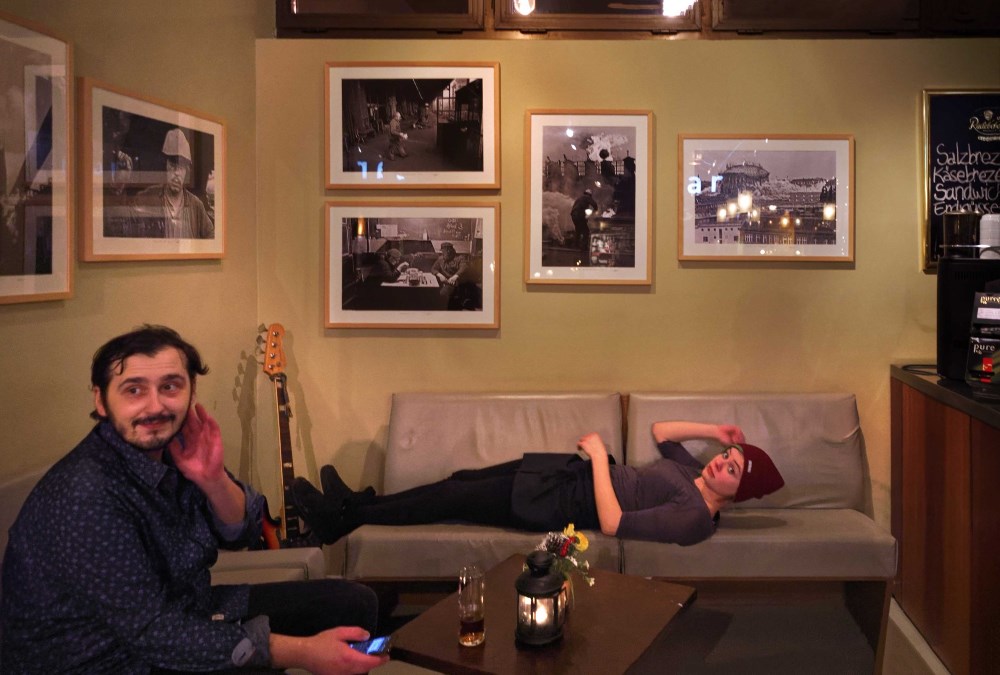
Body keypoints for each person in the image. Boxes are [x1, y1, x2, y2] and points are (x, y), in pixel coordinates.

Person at [0, 325, 389, 674]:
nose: (155, 406)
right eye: (134, 390)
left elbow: (245, 533)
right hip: (106, 657)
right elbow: (155, 633)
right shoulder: (86, 495)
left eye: (170, 386)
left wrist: (213, 479)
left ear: (191, 391)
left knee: (352, 603)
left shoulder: (177, 445)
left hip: (188, 607)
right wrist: (302, 652)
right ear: (101, 401)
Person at [291, 421, 785, 548]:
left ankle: (343, 519)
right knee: (458, 482)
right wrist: (714, 431)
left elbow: (613, 524)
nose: (720, 463)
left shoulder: (696, 517)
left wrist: (598, 458)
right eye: (726, 457)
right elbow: (661, 433)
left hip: (564, 502)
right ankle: (359, 505)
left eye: (732, 469)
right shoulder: (692, 471)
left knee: (455, 499)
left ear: (739, 494)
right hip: (564, 474)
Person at [128, 128, 215, 239]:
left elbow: (211, 237)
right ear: (165, 165)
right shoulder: (146, 198)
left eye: (181, 167)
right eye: (173, 166)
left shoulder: (196, 206)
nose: (177, 173)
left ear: (187, 171)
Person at [431, 242, 470, 309]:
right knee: (432, 293)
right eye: (442, 251)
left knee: (442, 295)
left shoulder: (460, 258)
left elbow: (464, 267)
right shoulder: (441, 259)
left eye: (444, 251)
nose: (443, 253)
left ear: (449, 251)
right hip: (444, 281)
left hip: (455, 283)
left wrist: (455, 276)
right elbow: (433, 269)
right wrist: (440, 275)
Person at [570, 188, 598, 266]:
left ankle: (576, 245)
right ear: (589, 195)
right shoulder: (587, 197)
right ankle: (584, 247)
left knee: (578, 230)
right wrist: (596, 209)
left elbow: (580, 209)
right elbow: (594, 204)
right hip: (579, 215)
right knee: (586, 232)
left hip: (573, 215)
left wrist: (584, 218)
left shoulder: (580, 198)